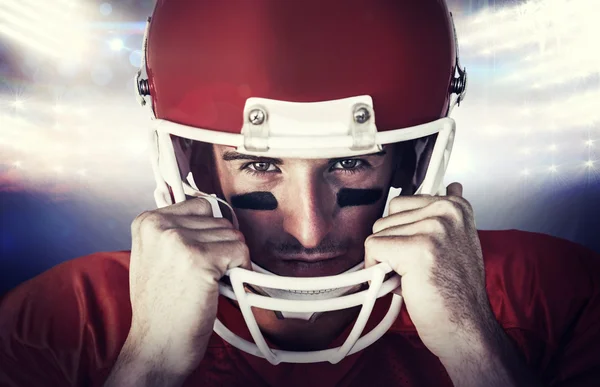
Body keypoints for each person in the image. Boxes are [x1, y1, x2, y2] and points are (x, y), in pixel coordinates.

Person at [1, 0, 599, 386]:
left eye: (347, 163)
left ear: (409, 160)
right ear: (198, 165)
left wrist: (479, 350)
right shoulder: (58, 322)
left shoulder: (558, 296)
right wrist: (148, 365)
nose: (309, 231)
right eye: (261, 165)